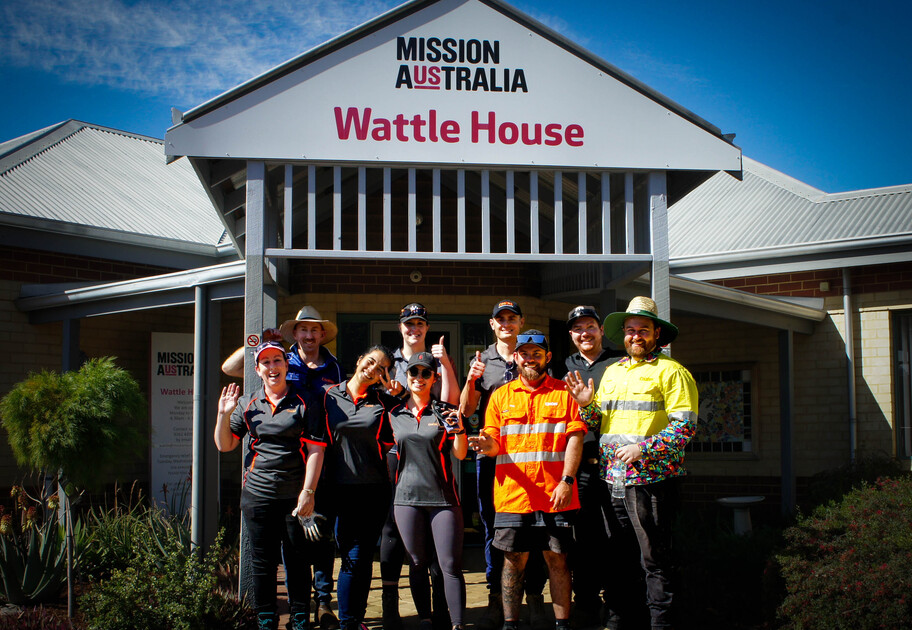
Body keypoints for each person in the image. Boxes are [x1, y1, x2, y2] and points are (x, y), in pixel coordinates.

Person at [566, 297, 699, 630]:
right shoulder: (613, 372)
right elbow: (601, 423)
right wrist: (586, 406)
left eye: (643, 329)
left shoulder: (672, 372)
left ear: (657, 333)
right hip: (612, 482)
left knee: (656, 560)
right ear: (622, 335)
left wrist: (646, 449)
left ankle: (662, 624)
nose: (635, 336)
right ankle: (627, 620)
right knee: (620, 558)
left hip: (652, 483)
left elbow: (684, 427)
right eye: (630, 330)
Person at [468, 330, 586, 630]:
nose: (530, 358)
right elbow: (494, 442)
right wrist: (485, 446)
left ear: (547, 357)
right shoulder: (500, 396)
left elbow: (575, 440)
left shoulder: (564, 393)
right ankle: (511, 623)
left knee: (557, 560)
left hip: (556, 494)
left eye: (537, 353)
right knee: (513, 560)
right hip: (513, 496)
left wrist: (567, 481)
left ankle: (563, 624)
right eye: (524, 353)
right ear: (516, 357)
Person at [214, 341, 327, 630]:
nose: (272, 367)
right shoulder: (248, 403)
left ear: (286, 365)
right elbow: (224, 444)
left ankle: (300, 617)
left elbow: (316, 450)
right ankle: (266, 618)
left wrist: (308, 493)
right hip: (257, 495)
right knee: (262, 562)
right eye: (266, 362)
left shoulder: (306, 401)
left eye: (277, 360)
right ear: (258, 369)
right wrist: (224, 413)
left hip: (294, 497)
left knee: (297, 559)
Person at [459, 299, 549, 630]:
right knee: (493, 529)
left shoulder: (533, 357)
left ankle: (535, 597)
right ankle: (496, 598)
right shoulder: (483, 361)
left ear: (521, 322)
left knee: (536, 528)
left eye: (512, 318)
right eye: (501, 319)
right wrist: (471, 379)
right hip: (493, 460)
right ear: (492, 324)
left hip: (532, 460)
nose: (507, 323)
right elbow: (465, 412)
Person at [382, 303, 459, 630]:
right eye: (409, 324)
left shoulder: (435, 362)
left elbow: (453, 402)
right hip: (399, 479)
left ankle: (445, 618)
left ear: (426, 328)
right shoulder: (388, 363)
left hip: (435, 481)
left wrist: (443, 362)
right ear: (400, 327)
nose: (414, 329)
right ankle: (396, 614)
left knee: (441, 563)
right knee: (401, 550)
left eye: (420, 324)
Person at [322, 345, 403, 630]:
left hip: (374, 490)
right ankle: (348, 621)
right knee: (350, 558)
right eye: (370, 362)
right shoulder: (329, 396)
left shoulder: (383, 402)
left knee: (364, 557)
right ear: (359, 360)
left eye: (381, 368)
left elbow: (412, 409)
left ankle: (354, 619)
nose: (372, 369)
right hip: (340, 489)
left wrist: (398, 390)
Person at [277, 307, 344, 629]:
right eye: (302, 330)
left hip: (325, 462)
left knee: (321, 535)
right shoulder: (280, 362)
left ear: (321, 335)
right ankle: (298, 607)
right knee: (293, 540)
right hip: (289, 463)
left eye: (313, 330)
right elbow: (230, 367)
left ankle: (323, 602)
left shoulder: (335, 367)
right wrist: (257, 344)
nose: (308, 335)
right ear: (294, 334)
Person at [559, 306, 625, 627]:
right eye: (577, 329)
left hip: (614, 465)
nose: (584, 333)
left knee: (614, 536)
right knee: (582, 539)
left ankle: (615, 605)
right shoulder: (563, 366)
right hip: (578, 468)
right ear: (571, 335)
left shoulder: (618, 363)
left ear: (601, 330)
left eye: (590, 327)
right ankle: (585, 602)